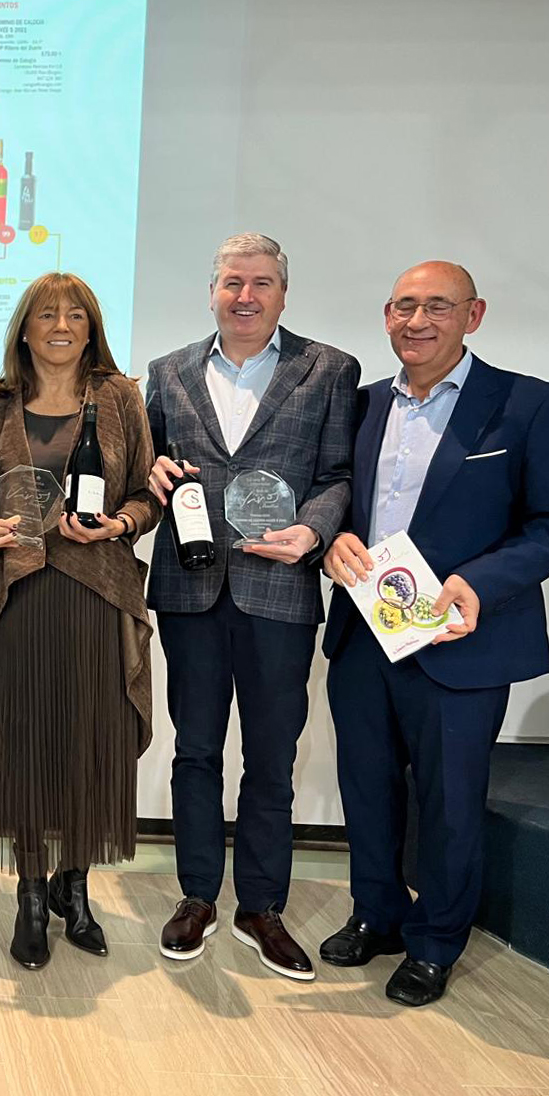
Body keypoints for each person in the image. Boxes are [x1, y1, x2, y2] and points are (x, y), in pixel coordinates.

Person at [321, 261, 549, 1007]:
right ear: (386, 315)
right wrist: (332, 542)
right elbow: (339, 503)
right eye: (404, 306)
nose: (417, 321)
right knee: (367, 786)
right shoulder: (359, 405)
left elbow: (545, 526)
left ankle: (435, 942)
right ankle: (377, 913)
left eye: (438, 306)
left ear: (473, 315)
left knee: (451, 800)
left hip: (462, 641)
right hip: (366, 633)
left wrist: (479, 581)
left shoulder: (525, 403)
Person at [145, 232, 358, 980]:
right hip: (191, 587)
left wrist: (314, 530)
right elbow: (148, 469)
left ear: (282, 294)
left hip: (281, 588)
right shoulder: (167, 371)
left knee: (272, 757)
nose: (245, 296)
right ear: (212, 292)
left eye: (261, 283)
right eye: (232, 282)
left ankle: (261, 905)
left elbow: (338, 474)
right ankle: (198, 895)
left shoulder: (328, 369)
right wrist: (152, 473)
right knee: (195, 749)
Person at [0, 272, 160, 969]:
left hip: (95, 595)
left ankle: (77, 886)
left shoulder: (120, 397)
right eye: (47, 314)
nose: (62, 325)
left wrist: (121, 523)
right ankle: (31, 894)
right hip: (16, 596)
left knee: (87, 742)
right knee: (22, 744)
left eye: (76, 314)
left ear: (92, 326)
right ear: (24, 329)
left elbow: (146, 497)